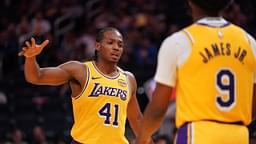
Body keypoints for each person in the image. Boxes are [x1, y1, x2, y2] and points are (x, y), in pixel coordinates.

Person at [136, 0, 256, 143]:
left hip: (197, 133)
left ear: (190, 3)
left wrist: (141, 140)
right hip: (239, 135)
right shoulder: (250, 42)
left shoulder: (179, 41)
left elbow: (157, 111)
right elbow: (253, 107)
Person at [18, 27, 143, 144]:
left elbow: (136, 118)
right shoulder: (80, 70)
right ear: (97, 46)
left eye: (120, 45)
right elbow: (36, 77)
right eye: (110, 43)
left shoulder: (128, 79)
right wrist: (30, 57)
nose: (116, 47)